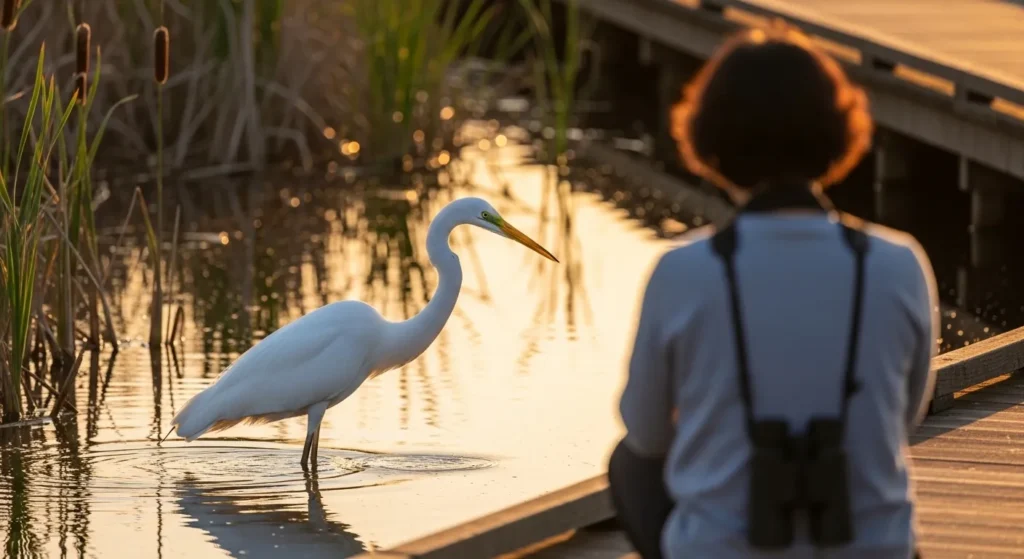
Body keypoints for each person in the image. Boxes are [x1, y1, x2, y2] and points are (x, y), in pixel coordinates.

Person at [609, 22, 938, 559]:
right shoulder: (898, 263)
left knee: (627, 461)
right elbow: (903, 419)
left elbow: (645, 434)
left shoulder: (682, 271)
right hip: (871, 550)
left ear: (709, 139)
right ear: (838, 131)